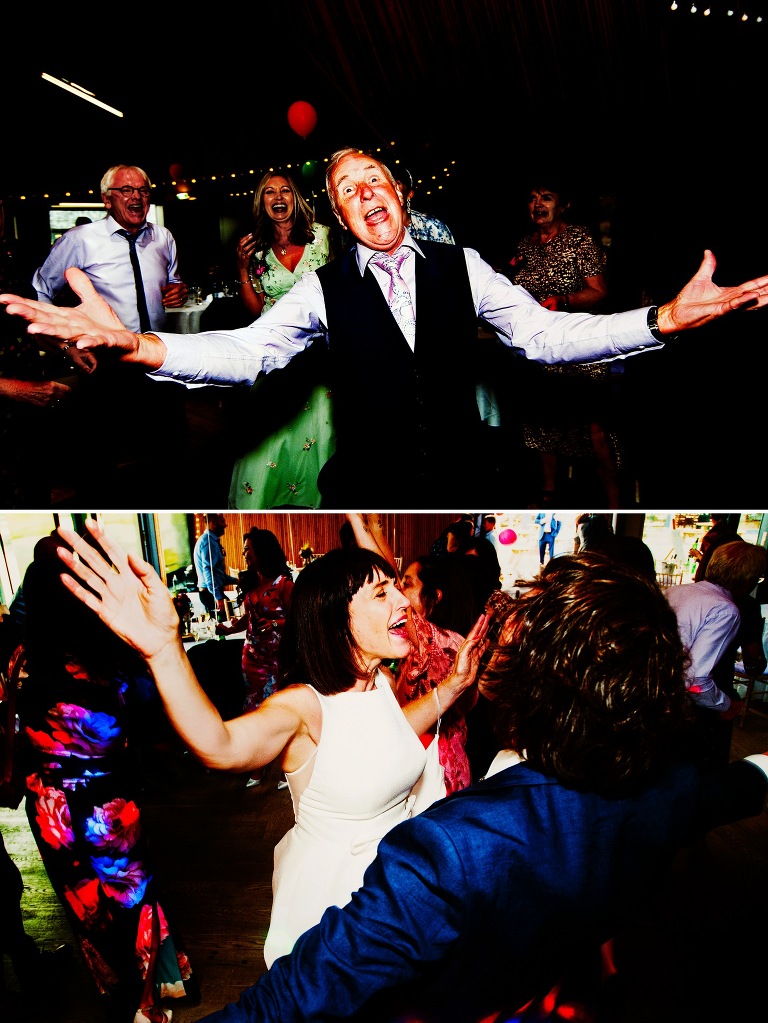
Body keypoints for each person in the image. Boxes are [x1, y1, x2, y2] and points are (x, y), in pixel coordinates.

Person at [183, 552, 768, 1023]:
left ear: (530, 690)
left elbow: (295, 1000)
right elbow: (725, 793)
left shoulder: (453, 846)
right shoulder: (668, 790)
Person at [5, 149, 768, 509]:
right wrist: (140, 344)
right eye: (347, 189)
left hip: (464, 485)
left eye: (374, 178)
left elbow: (545, 337)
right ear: (340, 217)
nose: (365, 191)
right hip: (372, 493)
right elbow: (248, 351)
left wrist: (662, 318)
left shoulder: (463, 265)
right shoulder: (323, 289)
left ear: (399, 194)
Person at [54, 519, 489, 972]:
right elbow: (218, 745)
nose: (402, 600)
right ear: (337, 620)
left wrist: (452, 687)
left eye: (396, 588)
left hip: (398, 883)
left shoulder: (379, 680)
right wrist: (164, 650)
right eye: (382, 593)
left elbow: (391, 731)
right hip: (340, 905)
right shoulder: (302, 707)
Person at [16, 532, 199, 1023]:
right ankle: (149, 1003)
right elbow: (153, 723)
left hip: (50, 809)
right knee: (132, 898)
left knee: (87, 911)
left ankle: (127, 996)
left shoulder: (21, 663)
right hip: (106, 805)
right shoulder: (111, 662)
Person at [30, 164, 190, 505]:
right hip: (108, 365)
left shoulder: (163, 238)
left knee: (171, 452)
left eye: (143, 191)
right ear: (106, 200)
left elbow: (174, 284)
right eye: (126, 191)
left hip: (159, 359)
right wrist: (66, 345)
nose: (137, 197)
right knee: (99, 459)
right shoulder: (80, 241)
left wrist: (178, 291)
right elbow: (41, 292)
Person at [349, 513, 480, 794]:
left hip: (436, 775)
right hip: (433, 767)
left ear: (434, 595)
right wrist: (374, 526)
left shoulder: (440, 644)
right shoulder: (428, 642)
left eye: (406, 585)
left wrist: (356, 519)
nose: (398, 593)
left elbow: (384, 575)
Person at [510, 180, 621, 508]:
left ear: (564, 205)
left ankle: (615, 500)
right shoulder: (526, 244)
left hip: (579, 343)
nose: (537, 204)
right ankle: (549, 493)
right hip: (541, 345)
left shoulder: (579, 238)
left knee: (594, 426)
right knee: (544, 422)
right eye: (531, 198)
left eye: (546, 197)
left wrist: (565, 300)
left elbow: (600, 291)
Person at [229, 172, 335, 509]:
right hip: (276, 351)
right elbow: (257, 309)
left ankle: (318, 504)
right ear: (261, 202)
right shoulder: (256, 249)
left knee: (321, 430)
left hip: (320, 352)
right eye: (269, 192)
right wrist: (242, 267)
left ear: (296, 198)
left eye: (285, 190)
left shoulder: (323, 237)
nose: (278, 197)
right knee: (269, 439)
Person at [664, 540, 767, 773]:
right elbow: (696, 679)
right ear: (748, 578)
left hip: (661, 698)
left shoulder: (675, 591)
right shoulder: (726, 609)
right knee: (701, 772)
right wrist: (726, 705)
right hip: (692, 709)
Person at [215, 528, 294, 788]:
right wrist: (229, 628)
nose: (245, 554)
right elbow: (249, 617)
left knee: (279, 713)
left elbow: (298, 619)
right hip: (251, 658)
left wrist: (274, 625)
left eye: (248, 550)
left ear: (262, 551)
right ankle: (257, 767)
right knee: (253, 712)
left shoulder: (284, 584)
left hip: (277, 660)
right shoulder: (250, 581)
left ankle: (286, 768)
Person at [193, 514, 239, 616]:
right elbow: (208, 572)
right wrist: (218, 597)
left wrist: (236, 581)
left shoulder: (208, 541)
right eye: (222, 522)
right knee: (228, 626)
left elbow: (217, 575)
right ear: (213, 523)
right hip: (210, 594)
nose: (225, 525)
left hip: (210, 593)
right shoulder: (208, 542)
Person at [689, 513, 743, 581]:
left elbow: (710, 562)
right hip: (731, 579)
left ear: (712, 519)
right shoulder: (734, 537)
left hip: (713, 580)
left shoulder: (712, 537)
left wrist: (697, 554)